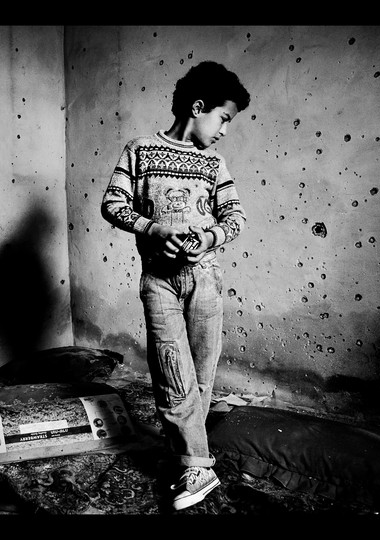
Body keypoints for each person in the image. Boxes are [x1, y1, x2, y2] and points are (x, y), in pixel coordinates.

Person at [100, 61, 250, 511]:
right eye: (223, 118)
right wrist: (152, 230)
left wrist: (207, 237)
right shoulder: (140, 150)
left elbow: (235, 218)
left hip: (206, 277)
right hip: (158, 283)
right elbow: (113, 204)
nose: (224, 130)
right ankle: (200, 465)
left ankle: (189, 457)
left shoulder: (214, 163)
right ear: (198, 107)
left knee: (202, 372)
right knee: (171, 369)